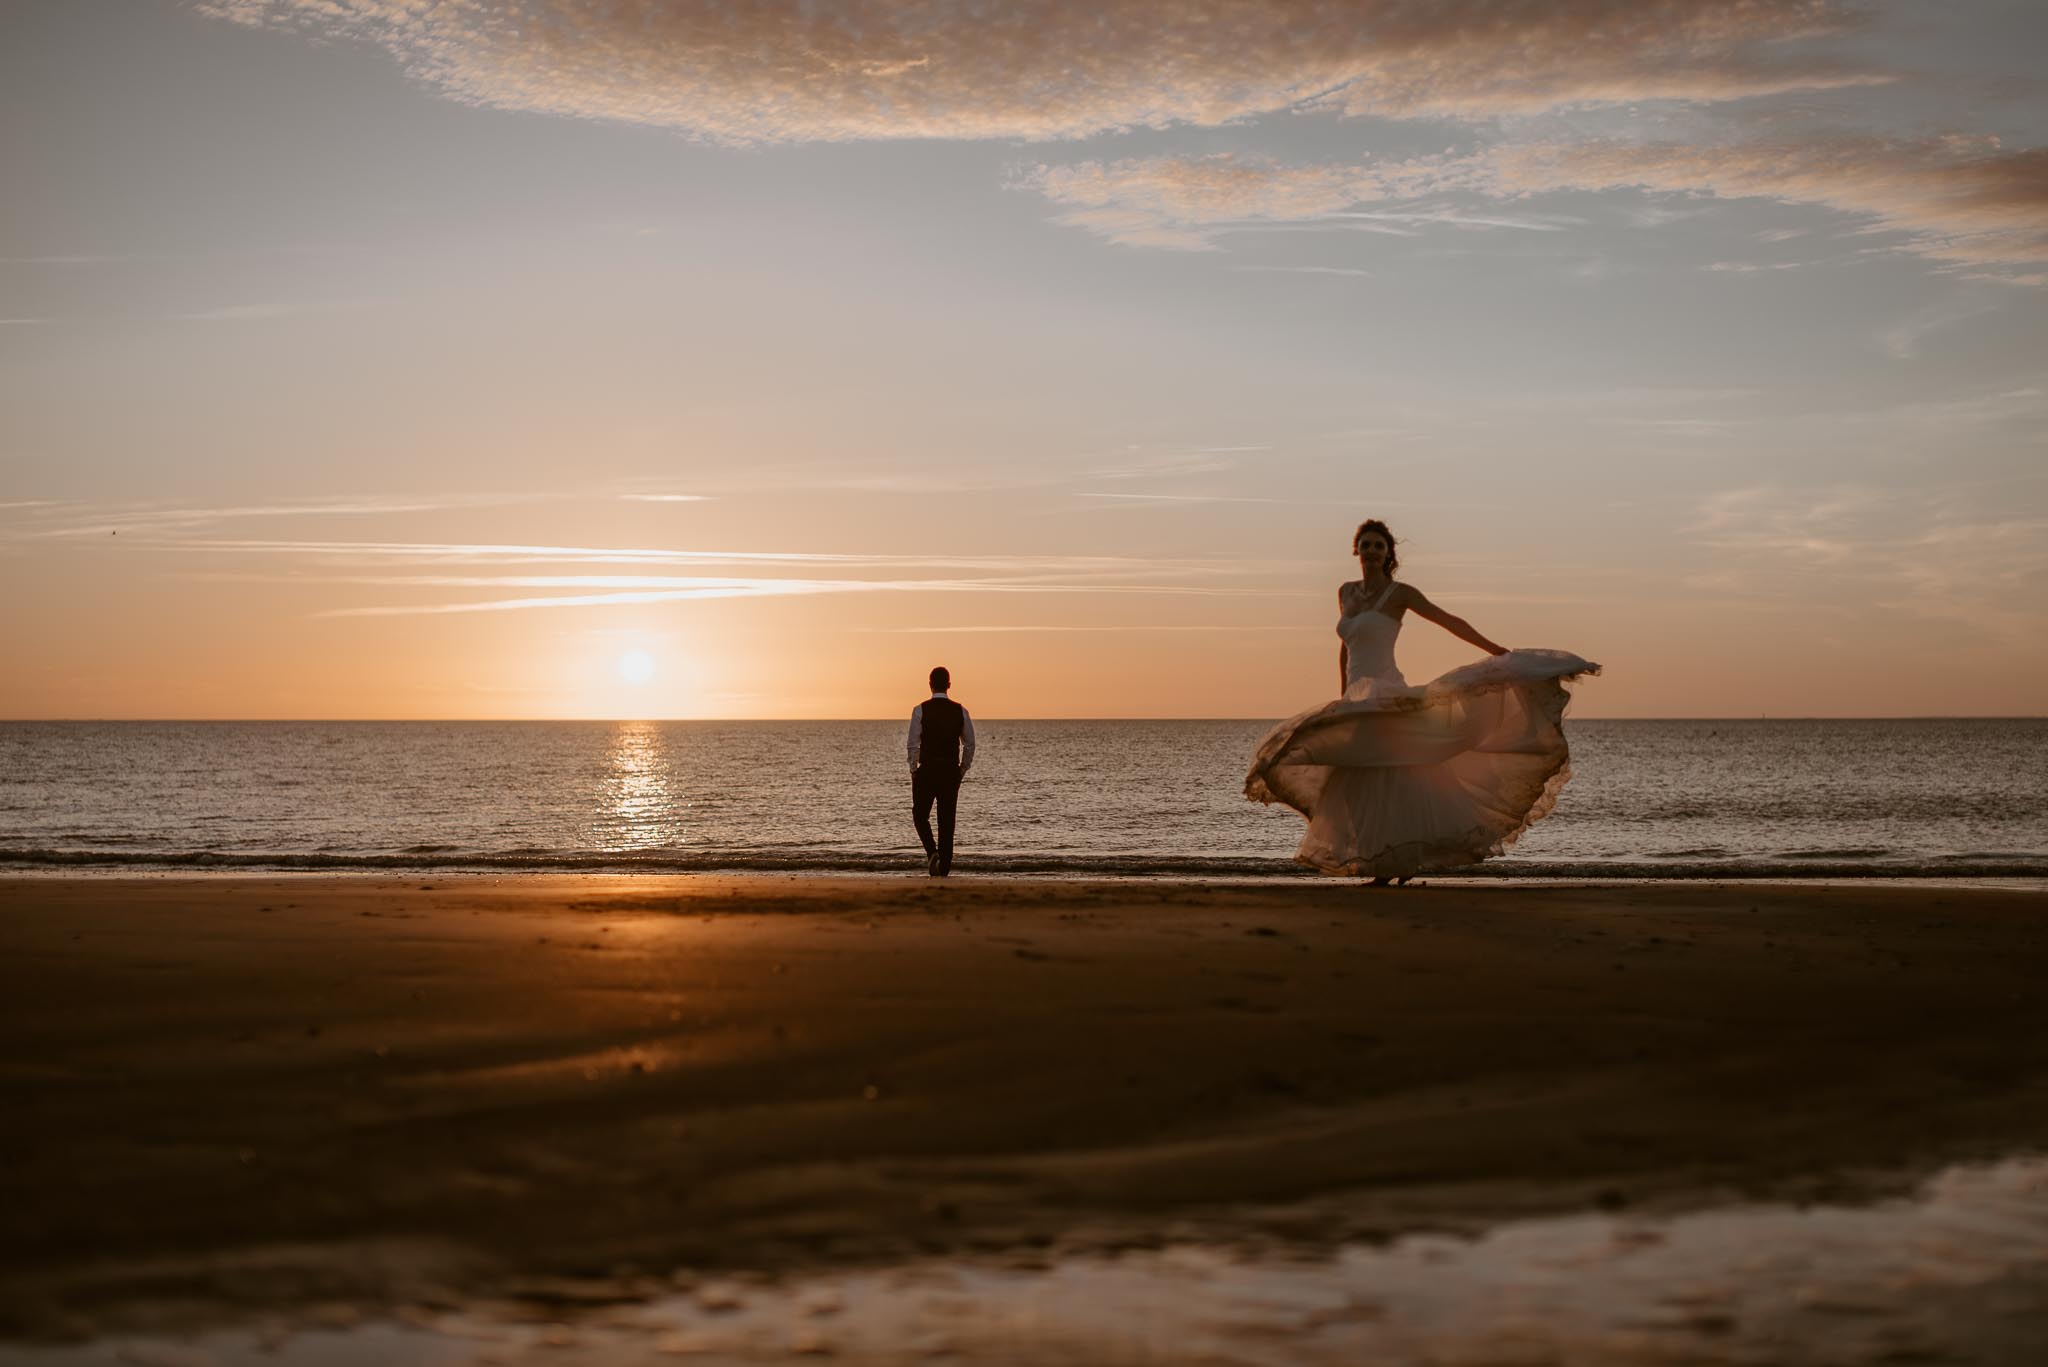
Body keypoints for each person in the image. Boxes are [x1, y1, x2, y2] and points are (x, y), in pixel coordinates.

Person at [1245, 519, 1599, 884]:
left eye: (1378, 546)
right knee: (1358, 777)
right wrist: (1343, 694)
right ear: (1356, 550)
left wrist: (1496, 652)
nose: (1371, 551)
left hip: (1386, 691)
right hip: (1356, 696)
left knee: (1393, 773)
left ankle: (1398, 865)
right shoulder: (1345, 593)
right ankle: (1381, 861)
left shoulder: (1400, 594)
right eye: (1365, 545)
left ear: (1388, 554)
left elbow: (1448, 621)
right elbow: (1345, 647)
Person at [908, 666, 976, 877]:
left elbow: (913, 744)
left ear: (930, 684)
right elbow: (970, 744)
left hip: (927, 770)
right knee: (947, 821)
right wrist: (961, 770)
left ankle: (932, 853)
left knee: (920, 815)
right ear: (948, 685)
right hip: (949, 771)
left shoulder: (920, 710)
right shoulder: (960, 711)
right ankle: (943, 867)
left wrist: (913, 770)